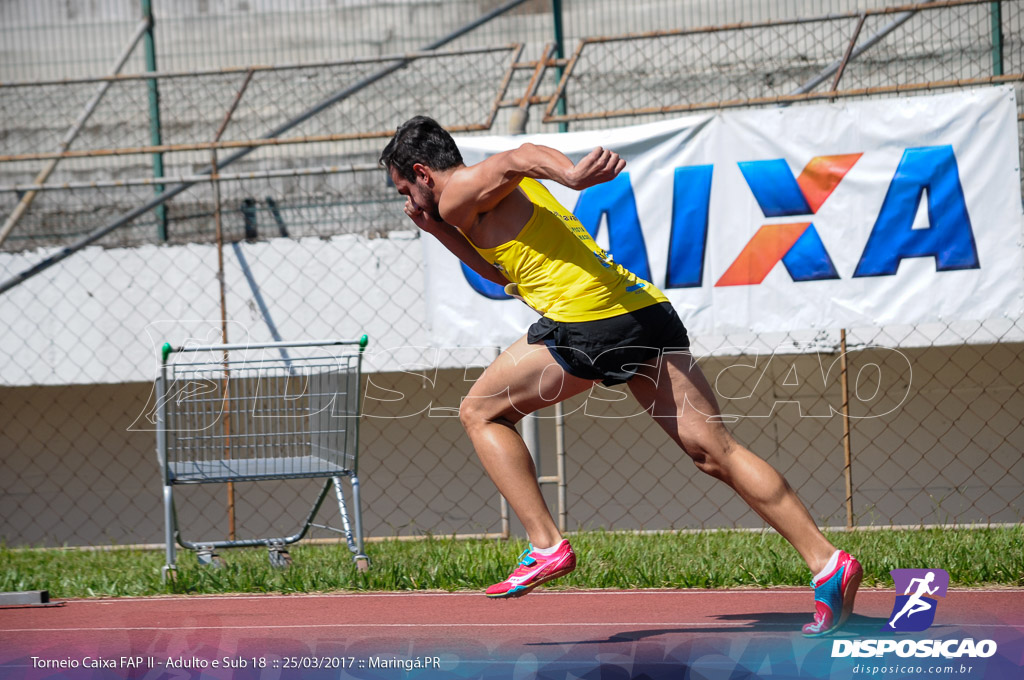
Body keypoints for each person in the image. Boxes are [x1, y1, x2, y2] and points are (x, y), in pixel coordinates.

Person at [379, 115, 862, 637]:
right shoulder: (476, 206)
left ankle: (545, 544)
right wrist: (436, 231)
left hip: (589, 320)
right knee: (714, 450)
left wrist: (572, 176)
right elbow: (499, 273)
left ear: (423, 173)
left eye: (404, 188)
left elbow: (519, 154)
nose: (409, 200)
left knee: (480, 412)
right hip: (641, 309)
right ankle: (826, 561)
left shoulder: (459, 191)